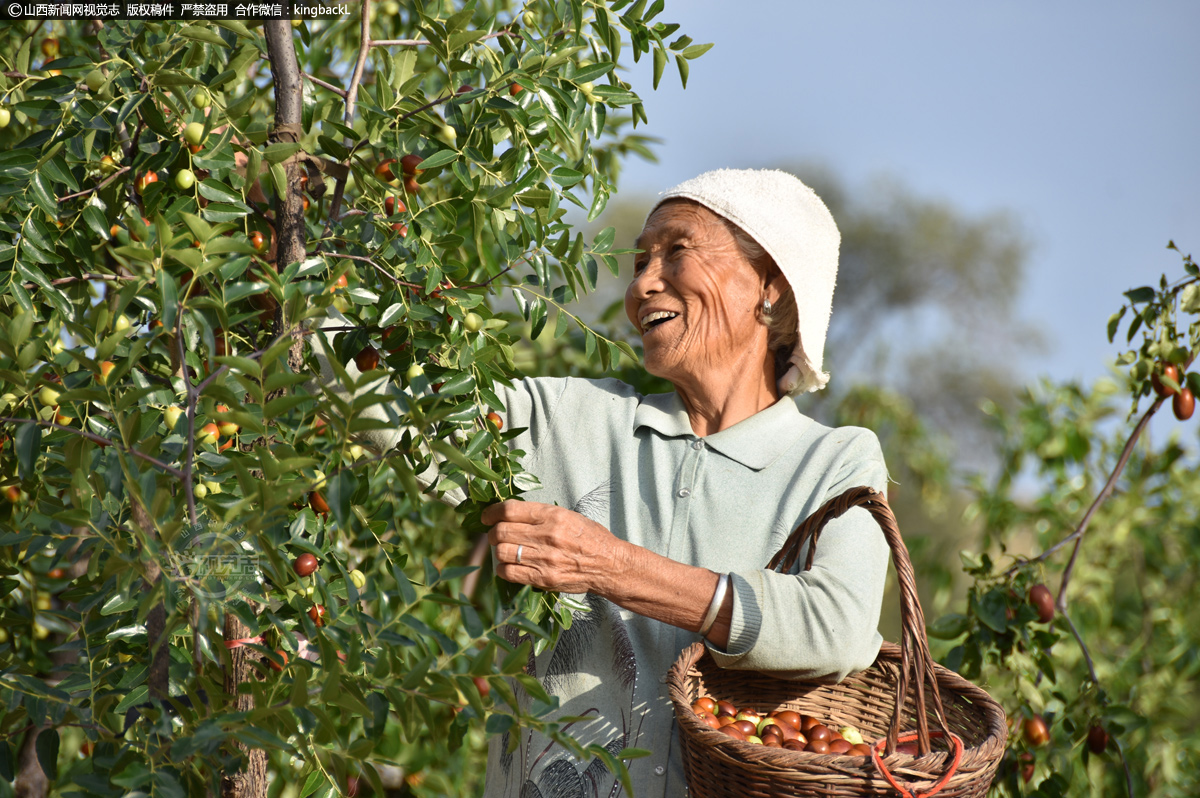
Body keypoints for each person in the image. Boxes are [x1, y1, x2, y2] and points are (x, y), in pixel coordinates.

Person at [315, 169, 891, 798]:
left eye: (677, 250)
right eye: (641, 259)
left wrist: (610, 566)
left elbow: (839, 625)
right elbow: (379, 400)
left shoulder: (833, 462)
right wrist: (279, 238)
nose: (642, 283)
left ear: (771, 287)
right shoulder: (562, 421)